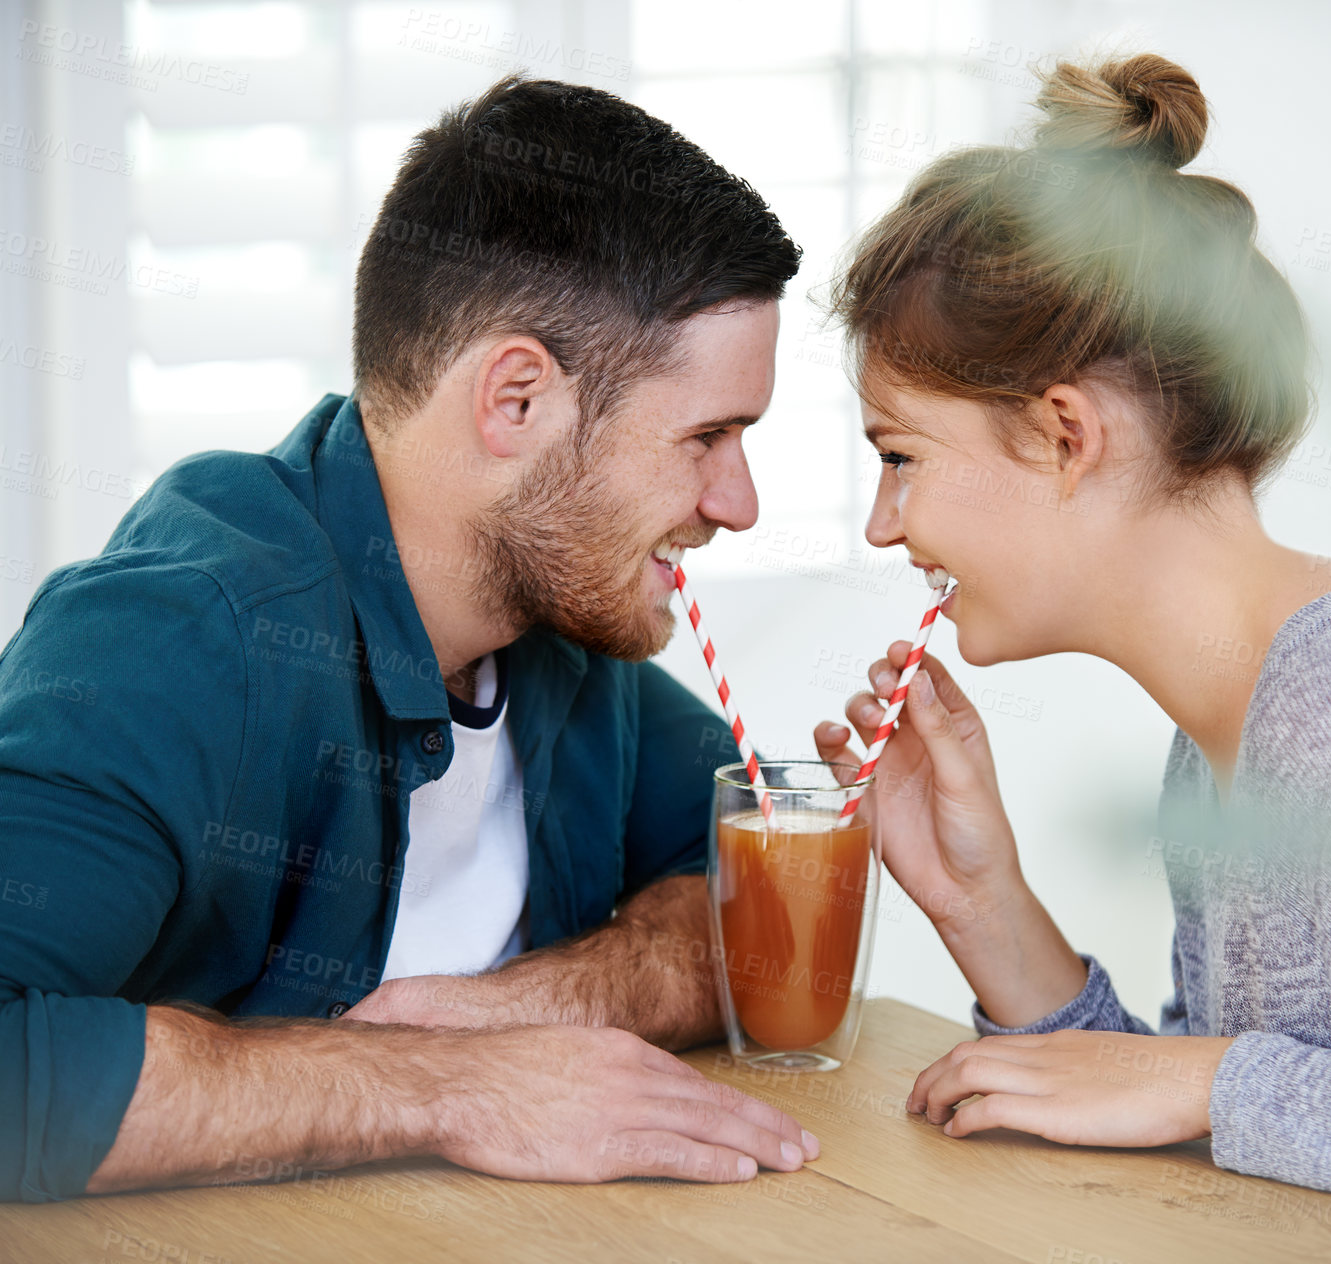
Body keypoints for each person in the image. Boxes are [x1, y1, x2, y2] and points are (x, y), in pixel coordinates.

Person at [0, 75, 821, 1201]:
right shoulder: (183, 637)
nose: (738, 501)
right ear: (516, 402)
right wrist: (447, 1082)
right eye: (708, 435)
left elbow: (757, 882)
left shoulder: (566, 635)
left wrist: (533, 1007)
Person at [813, 53, 1331, 1250]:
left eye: (900, 455)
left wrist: (1212, 1084)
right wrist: (984, 904)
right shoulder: (1228, 725)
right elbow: (1221, 1120)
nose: (883, 521)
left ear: (1067, 434)